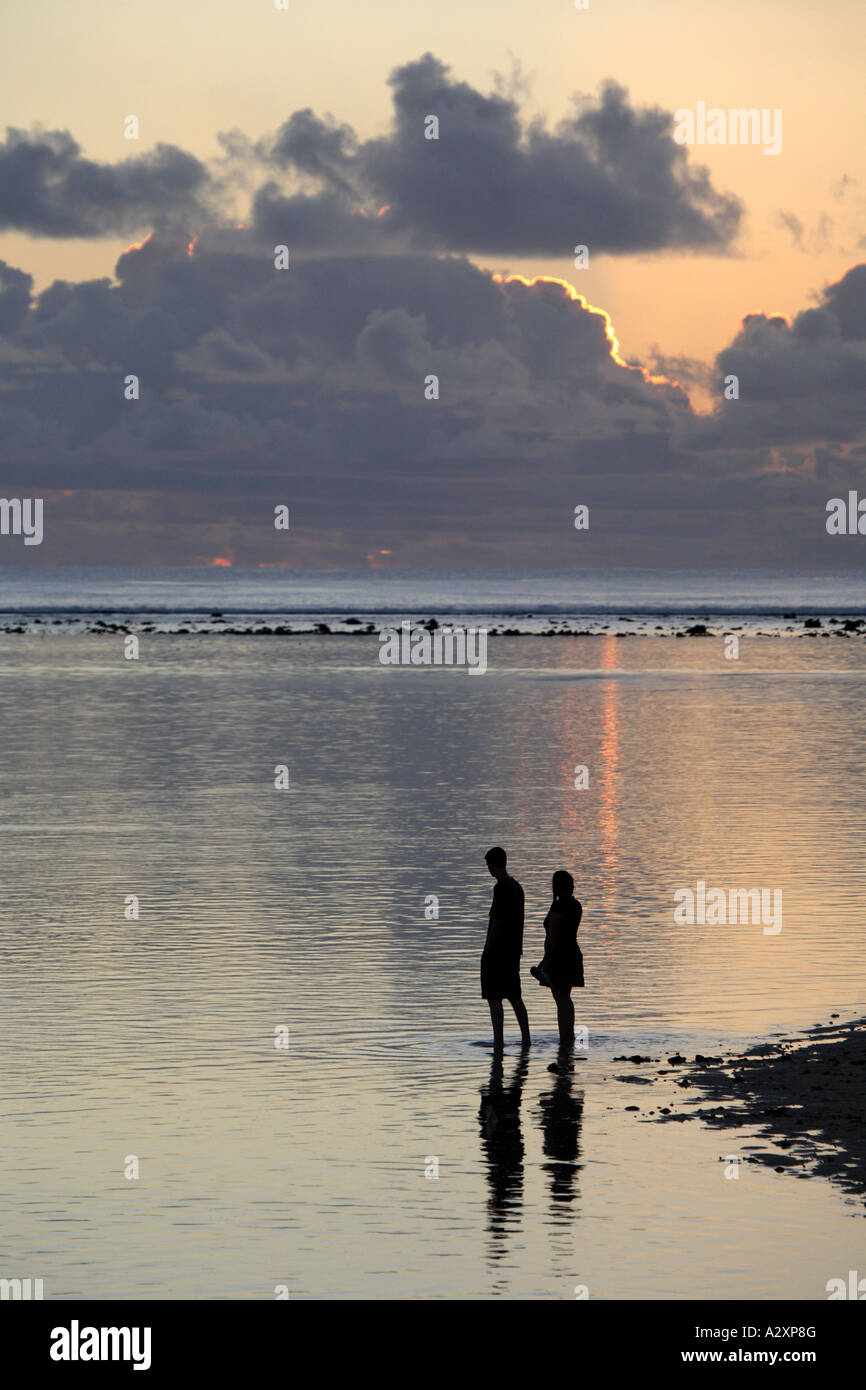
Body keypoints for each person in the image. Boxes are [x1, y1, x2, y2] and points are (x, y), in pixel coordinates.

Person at [480, 847, 531, 1053]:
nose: (488, 869)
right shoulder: (517, 887)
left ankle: (498, 1042)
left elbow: (498, 921)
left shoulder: (501, 888)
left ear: (493, 865)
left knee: (494, 998)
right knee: (514, 995)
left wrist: (487, 950)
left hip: (498, 952)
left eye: (488, 865)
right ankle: (526, 1038)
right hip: (513, 951)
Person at [530, 870, 583, 1047]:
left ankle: (565, 1039)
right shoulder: (576, 905)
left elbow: (553, 936)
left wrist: (545, 961)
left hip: (560, 958)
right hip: (572, 954)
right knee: (565, 998)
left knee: (560, 998)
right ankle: (569, 1038)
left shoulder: (559, 906)